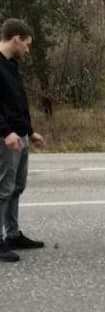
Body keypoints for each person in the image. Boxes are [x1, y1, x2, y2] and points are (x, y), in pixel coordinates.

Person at [0, 19, 46, 263]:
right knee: (3, 189)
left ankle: (13, 234)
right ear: (16, 38)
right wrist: (6, 132)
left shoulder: (11, 65)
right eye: (26, 45)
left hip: (21, 135)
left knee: (16, 187)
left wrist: (30, 130)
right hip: (6, 138)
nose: (27, 50)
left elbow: (17, 102)